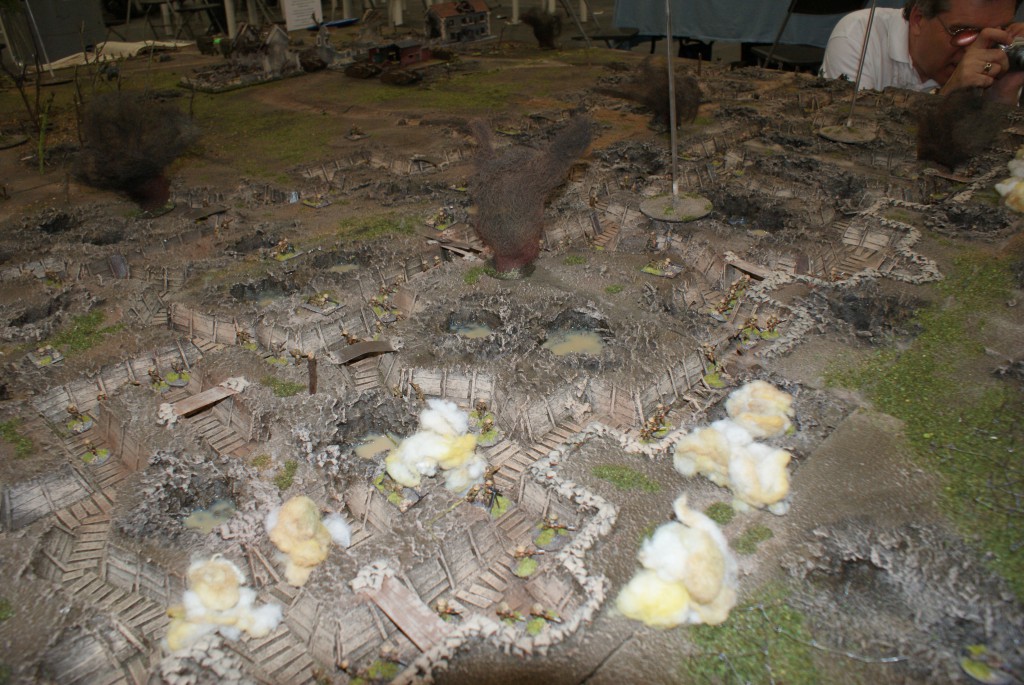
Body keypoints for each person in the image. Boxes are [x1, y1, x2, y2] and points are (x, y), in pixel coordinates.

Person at [821, 0, 1024, 105]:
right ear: (918, 19)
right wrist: (947, 98)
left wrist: (1000, 100)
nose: (977, 49)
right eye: (964, 33)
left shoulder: (999, 56)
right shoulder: (860, 35)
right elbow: (851, 141)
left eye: (997, 34)